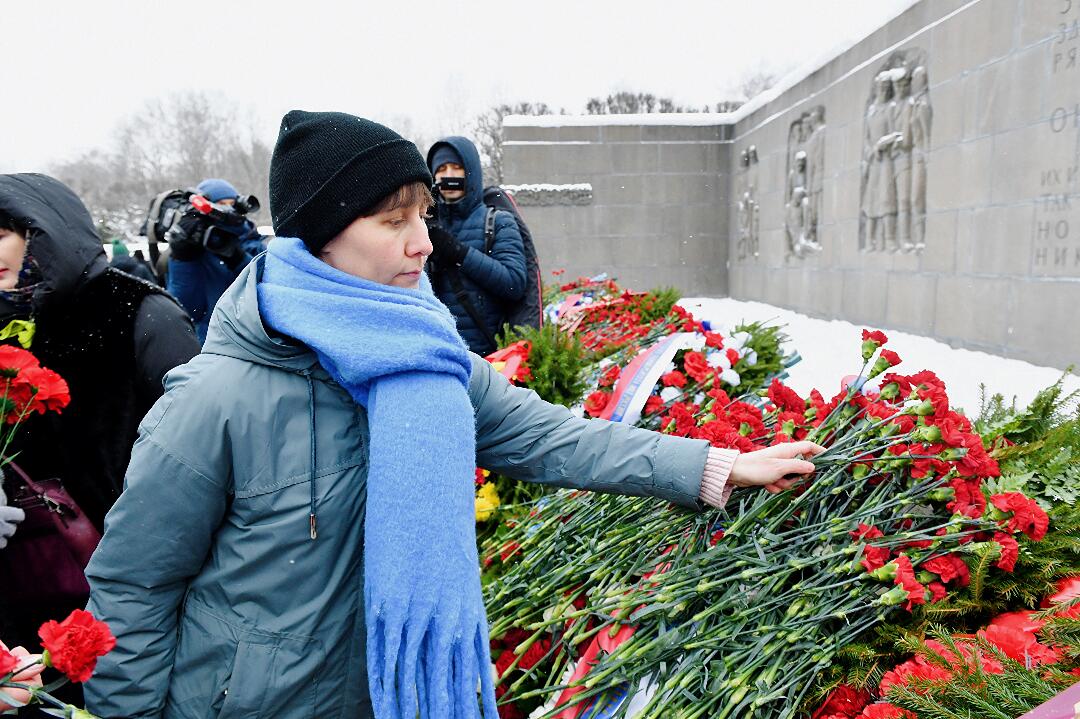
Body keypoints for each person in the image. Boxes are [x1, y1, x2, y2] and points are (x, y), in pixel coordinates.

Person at [84, 111, 823, 719]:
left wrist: (714, 466)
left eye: (424, 216)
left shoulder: (429, 357)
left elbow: (551, 436)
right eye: (392, 220)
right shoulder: (216, 397)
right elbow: (133, 587)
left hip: (386, 697)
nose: (422, 242)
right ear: (320, 235)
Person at [0, 173, 201, 692]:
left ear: (44, 230)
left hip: (127, 595)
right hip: (17, 612)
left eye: (0, 234)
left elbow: (206, 458)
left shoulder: (136, 312)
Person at [425, 136, 525, 356]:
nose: (449, 175)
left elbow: (514, 283)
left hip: (490, 355)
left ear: (470, 172)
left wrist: (459, 252)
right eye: (441, 169)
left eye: (456, 168)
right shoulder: (423, 225)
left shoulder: (497, 221)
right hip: (440, 351)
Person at [166, 178, 267, 343]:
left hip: (255, 339)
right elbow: (187, 309)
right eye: (220, 204)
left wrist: (238, 259)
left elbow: (265, 292)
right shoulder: (195, 250)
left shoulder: (254, 242)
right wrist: (183, 257)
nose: (227, 210)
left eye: (232, 204)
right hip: (211, 342)